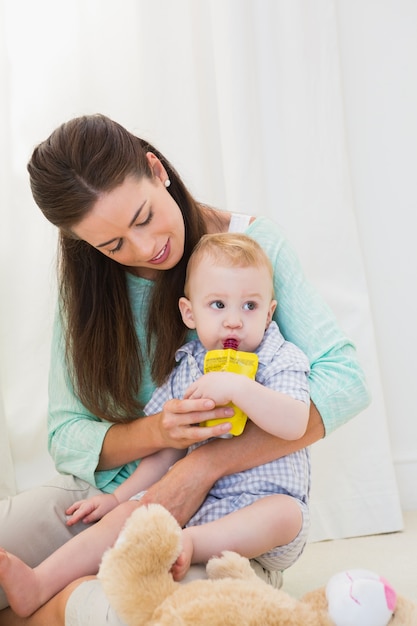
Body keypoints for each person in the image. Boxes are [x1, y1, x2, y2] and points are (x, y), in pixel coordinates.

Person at [0, 114, 370, 626]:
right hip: (114, 500)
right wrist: (159, 436)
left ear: (157, 170)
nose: (144, 247)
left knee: (140, 612)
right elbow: (68, 435)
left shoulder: (251, 254)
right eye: (112, 245)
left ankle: (65, 604)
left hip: (232, 520)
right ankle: (63, 594)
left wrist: (202, 467)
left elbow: (344, 384)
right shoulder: (92, 284)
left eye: (144, 216)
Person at [0, 232, 312, 617]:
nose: (234, 320)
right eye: (218, 305)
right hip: (194, 504)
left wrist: (237, 387)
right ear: (190, 314)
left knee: (287, 512)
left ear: (268, 313)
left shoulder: (280, 357)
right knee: (130, 514)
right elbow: (167, 451)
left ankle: (191, 544)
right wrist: (119, 498)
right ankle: (40, 582)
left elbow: (295, 422)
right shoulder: (189, 367)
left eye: (250, 306)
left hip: (259, 521)